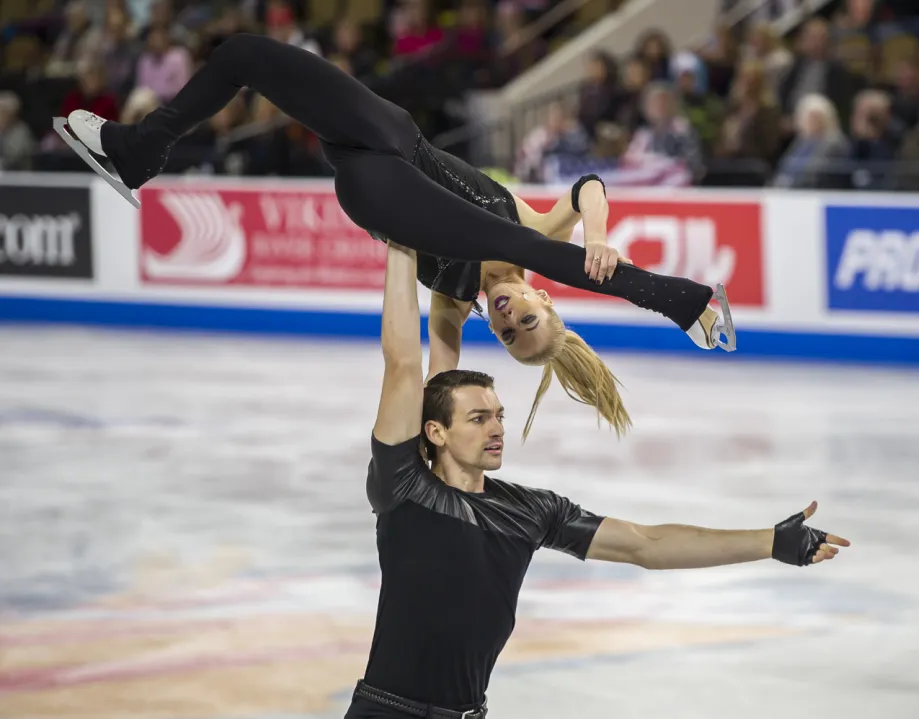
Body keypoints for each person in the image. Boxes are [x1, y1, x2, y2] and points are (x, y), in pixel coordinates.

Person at [58, 33, 734, 439]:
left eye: (505, 335)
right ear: (547, 303)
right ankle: (141, 148)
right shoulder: (537, 230)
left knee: (507, 246)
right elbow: (588, 185)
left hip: (369, 188)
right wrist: (597, 232)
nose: (506, 317)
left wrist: (446, 450)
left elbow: (436, 382)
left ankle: (683, 300)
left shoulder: (449, 306)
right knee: (241, 55)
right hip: (389, 133)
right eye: (526, 318)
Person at [353, 239, 850, 719]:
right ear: (435, 431)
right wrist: (401, 236)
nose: (498, 428)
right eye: (479, 419)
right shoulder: (404, 486)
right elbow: (402, 362)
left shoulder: (532, 511)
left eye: (500, 415)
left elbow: (646, 545)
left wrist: (770, 542)